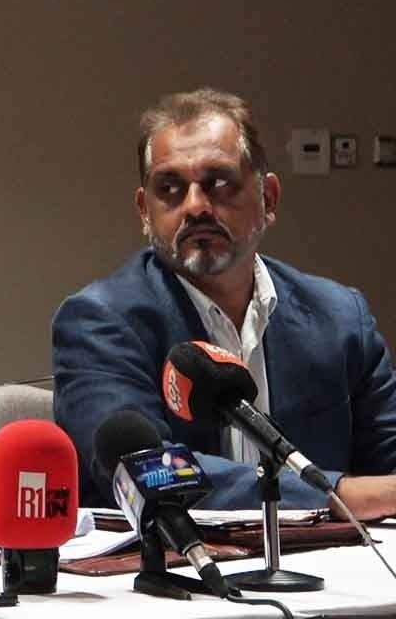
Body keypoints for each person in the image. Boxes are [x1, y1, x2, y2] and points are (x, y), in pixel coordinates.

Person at [53, 87, 396, 517]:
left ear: (268, 198)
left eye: (219, 184)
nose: (196, 206)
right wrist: (336, 494)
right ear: (144, 211)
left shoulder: (339, 317)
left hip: (337, 556)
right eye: (170, 188)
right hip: (176, 555)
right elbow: (144, 471)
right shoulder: (99, 321)